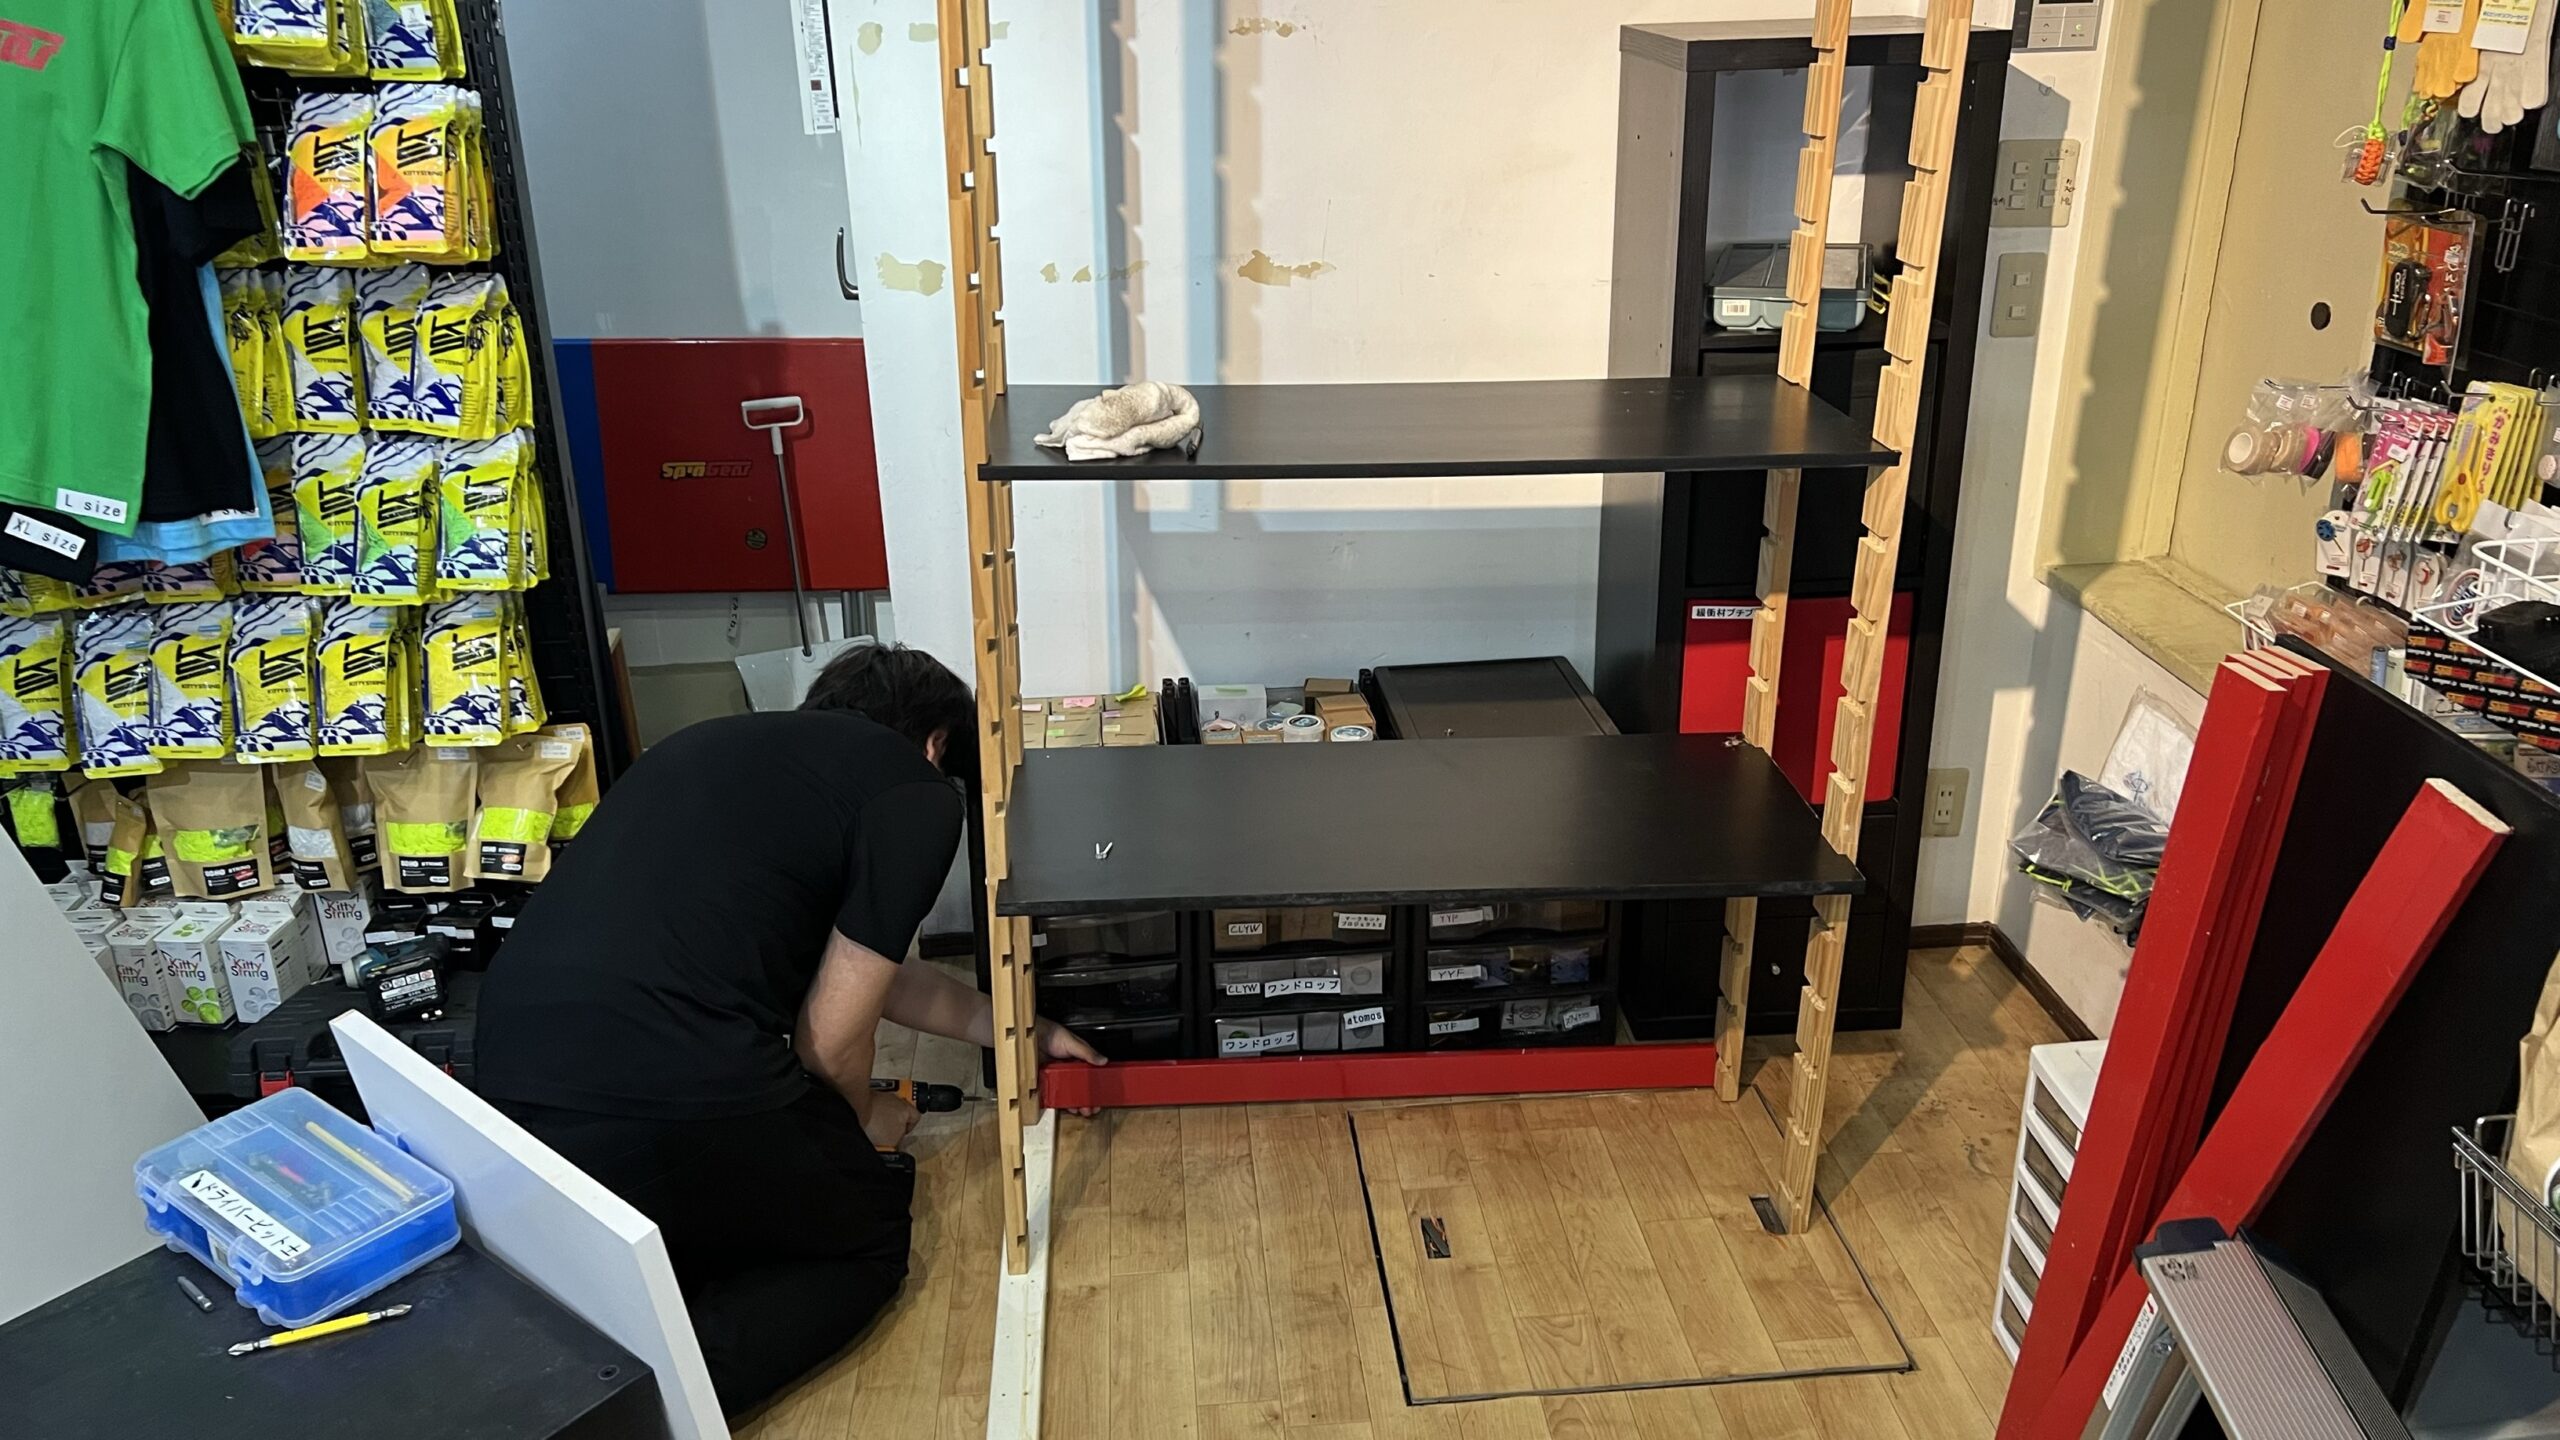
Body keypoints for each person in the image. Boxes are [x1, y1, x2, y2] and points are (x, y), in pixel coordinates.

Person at [474, 643, 1102, 1415]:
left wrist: (1016, 1029)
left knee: (713, 1218)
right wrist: (863, 1123)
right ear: (937, 743)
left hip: (510, 1083)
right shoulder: (911, 788)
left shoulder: (711, 748)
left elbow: (870, 976)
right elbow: (831, 1042)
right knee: (863, 1240)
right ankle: (640, 1411)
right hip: (669, 1084)